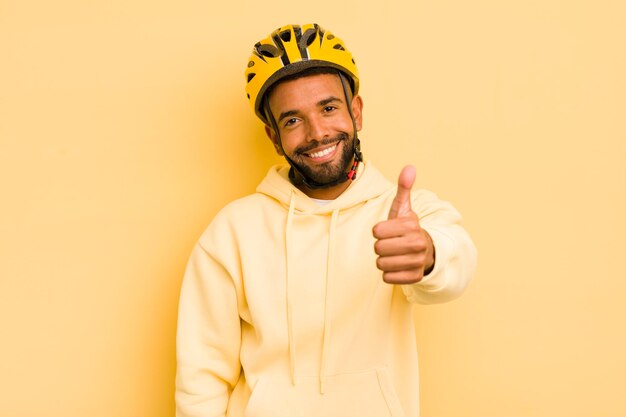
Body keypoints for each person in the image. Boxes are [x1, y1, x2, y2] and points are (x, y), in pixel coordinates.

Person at [176, 23, 477, 417]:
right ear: (273, 136)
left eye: (329, 108)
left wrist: (428, 256)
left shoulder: (404, 216)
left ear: (357, 112)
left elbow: (457, 258)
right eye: (292, 120)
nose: (317, 133)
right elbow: (201, 378)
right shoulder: (233, 232)